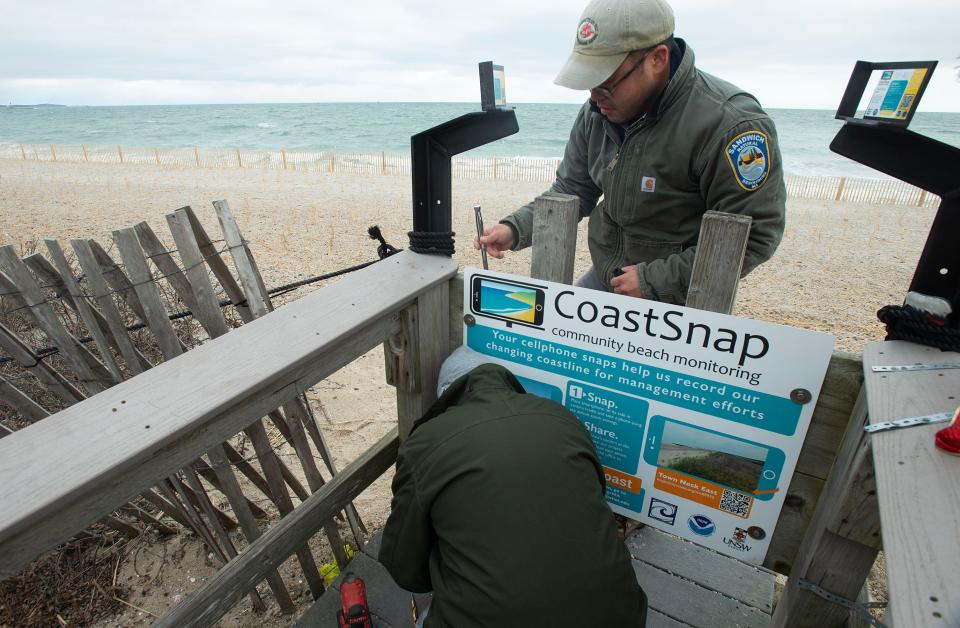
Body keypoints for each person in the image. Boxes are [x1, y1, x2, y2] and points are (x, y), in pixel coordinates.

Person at [475, 0, 786, 305]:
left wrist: (656, 281)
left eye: (606, 83)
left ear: (657, 59)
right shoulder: (597, 111)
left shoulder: (731, 124)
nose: (594, 98)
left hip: (685, 297)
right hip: (608, 277)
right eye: (589, 83)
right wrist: (515, 228)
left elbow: (755, 236)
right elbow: (572, 189)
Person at [378, 347, 647, 627]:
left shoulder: (428, 440)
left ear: (447, 394)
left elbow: (405, 567)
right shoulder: (562, 417)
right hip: (623, 614)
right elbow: (595, 495)